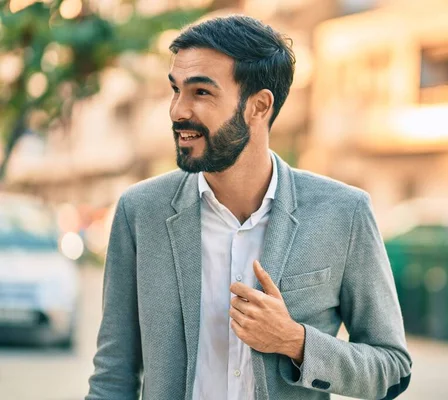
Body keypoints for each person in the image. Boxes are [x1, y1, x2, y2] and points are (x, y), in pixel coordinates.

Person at [86, 15, 411, 400]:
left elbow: (391, 368)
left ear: (258, 106)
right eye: (176, 90)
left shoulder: (344, 213)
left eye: (201, 93)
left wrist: (297, 342)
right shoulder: (140, 212)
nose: (177, 110)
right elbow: (113, 377)